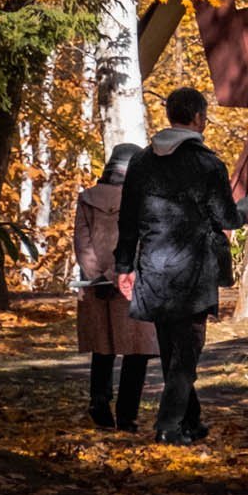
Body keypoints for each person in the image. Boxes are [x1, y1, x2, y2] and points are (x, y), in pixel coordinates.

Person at [115, 86, 248, 445]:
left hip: (153, 266)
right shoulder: (207, 163)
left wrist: (124, 264)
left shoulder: (141, 161)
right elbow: (225, 217)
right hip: (193, 270)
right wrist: (247, 214)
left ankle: (191, 420)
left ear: (170, 115)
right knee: (186, 352)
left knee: (172, 348)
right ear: (199, 118)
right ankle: (168, 428)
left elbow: (127, 219)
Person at [73, 142, 157, 432]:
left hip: (96, 284)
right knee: (137, 350)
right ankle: (127, 415)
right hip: (131, 282)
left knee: (103, 346)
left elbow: (81, 243)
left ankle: (99, 402)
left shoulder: (87, 198)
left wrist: (98, 274)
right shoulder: (142, 198)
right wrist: (118, 273)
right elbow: (143, 241)